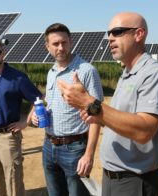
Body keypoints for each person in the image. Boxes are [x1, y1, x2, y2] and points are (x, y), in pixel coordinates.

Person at [58, 12, 158, 196]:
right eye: (109, 33)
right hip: (113, 178)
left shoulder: (154, 74)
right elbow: (122, 118)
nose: (109, 38)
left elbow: (144, 130)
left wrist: (92, 104)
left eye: (117, 32)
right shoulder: (127, 73)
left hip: (136, 182)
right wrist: (98, 115)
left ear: (139, 34)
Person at [31, 23, 103, 196]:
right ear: (47, 46)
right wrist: (36, 114)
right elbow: (51, 104)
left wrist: (89, 155)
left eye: (64, 42)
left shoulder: (86, 71)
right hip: (49, 146)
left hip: (75, 148)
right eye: (55, 44)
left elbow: (97, 116)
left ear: (71, 42)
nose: (61, 47)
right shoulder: (52, 72)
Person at [0, 38, 42, 196]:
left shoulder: (18, 77)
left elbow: (37, 99)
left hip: (8, 137)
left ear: (3, 52)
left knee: (13, 179)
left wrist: (26, 121)